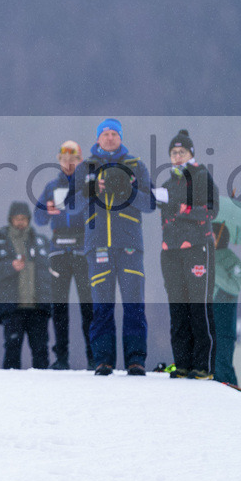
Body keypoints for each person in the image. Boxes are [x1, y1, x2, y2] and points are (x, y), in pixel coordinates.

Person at [72, 118, 156, 376]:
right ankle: (103, 360)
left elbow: (151, 204)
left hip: (130, 244)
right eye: (105, 134)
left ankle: (135, 360)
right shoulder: (85, 167)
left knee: (134, 305)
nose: (109, 138)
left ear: (121, 137)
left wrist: (128, 192)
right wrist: (89, 189)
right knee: (101, 306)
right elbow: (72, 206)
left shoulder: (135, 165)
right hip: (97, 245)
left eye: (114, 134)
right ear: (98, 138)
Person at [155, 130, 219, 380]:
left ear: (192, 153)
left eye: (182, 152)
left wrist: (181, 209)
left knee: (198, 306)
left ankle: (202, 365)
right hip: (170, 252)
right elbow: (158, 206)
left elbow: (211, 211)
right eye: (173, 153)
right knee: (177, 308)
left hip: (197, 249)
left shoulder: (201, 176)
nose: (178, 156)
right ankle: (182, 363)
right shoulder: (169, 183)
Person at [34, 140, 94, 370]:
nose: (68, 164)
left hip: (83, 248)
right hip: (58, 249)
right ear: (58, 161)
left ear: (80, 161)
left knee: (88, 306)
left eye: (73, 160)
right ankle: (61, 358)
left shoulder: (87, 184)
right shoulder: (51, 186)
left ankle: (93, 356)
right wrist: (46, 211)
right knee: (59, 307)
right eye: (64, 160)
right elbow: (38, 218)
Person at [0, 201, 53, 370]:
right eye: (17, 218)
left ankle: (45, 391)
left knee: (41, 351)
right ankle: (10, 390)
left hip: (38, 307)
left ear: (29, 219)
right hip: (12, 308)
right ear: (10, 219)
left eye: (23, 218)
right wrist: (9, 267)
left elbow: (56, 271)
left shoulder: (41, 242)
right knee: (12, 350)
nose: (20, 222)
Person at [211, 221, 241, 385]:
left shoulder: (232, 260)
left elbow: (235, 286)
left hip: (223, 324)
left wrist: (213, 266)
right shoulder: (202, 256)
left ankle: (232, 395)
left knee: (222, 366)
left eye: (212, 234)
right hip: (205, 324)